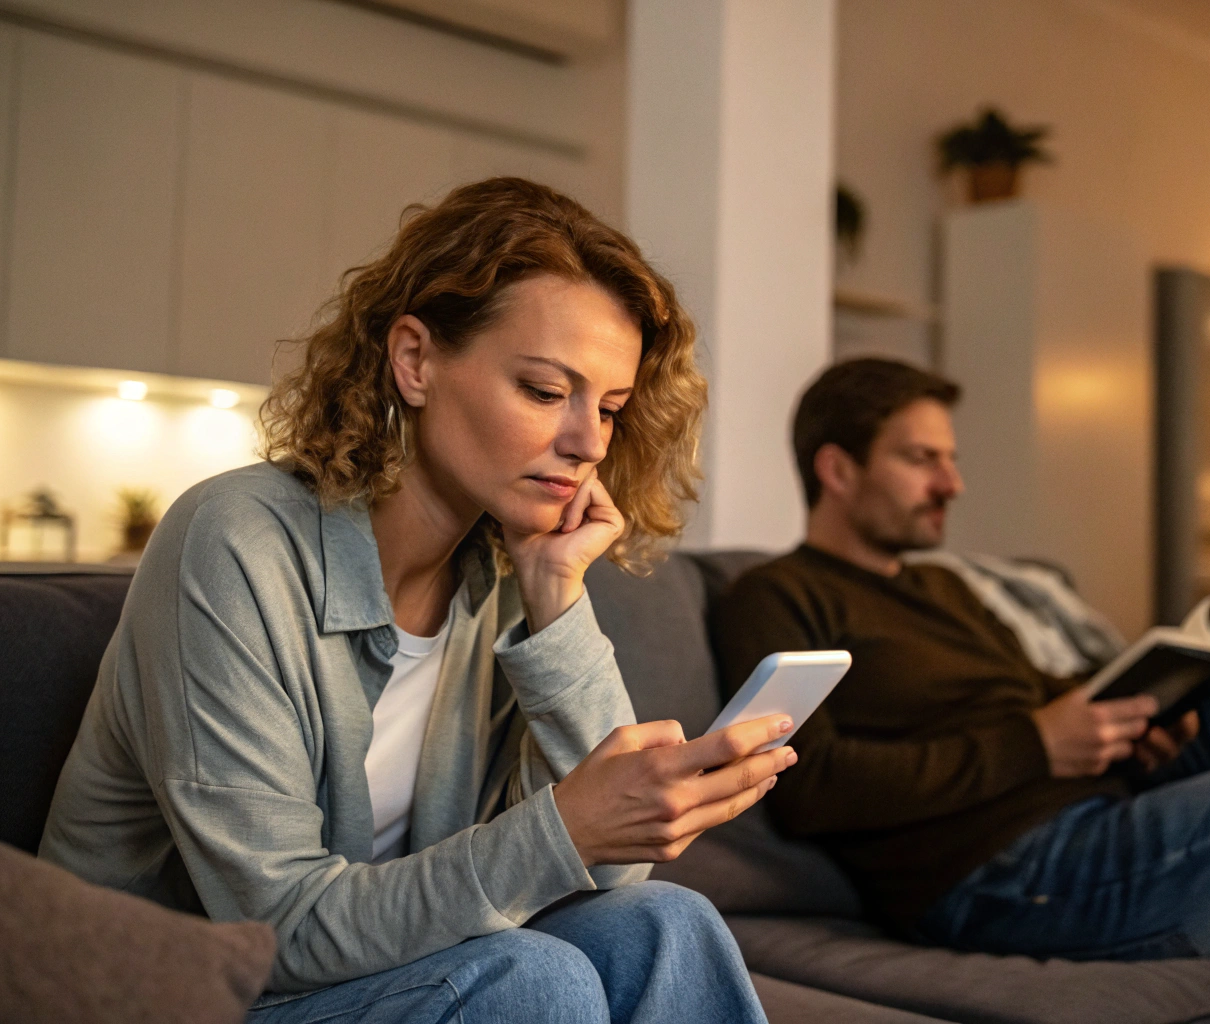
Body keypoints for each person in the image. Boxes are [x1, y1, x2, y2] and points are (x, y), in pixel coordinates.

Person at [40, 178, 794, 1023]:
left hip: (377, 980)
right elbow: (276, 933)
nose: (588, 443)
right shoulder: (234, 543)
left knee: (667, 922)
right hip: (173, 992)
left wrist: (558, 600)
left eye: (610, 408)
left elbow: (614, 875)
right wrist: (565, 829)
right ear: (416, 361)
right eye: (547, 392)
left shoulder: (506, 574)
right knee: (529, 977)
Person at [712, 356, 1210, 962]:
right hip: (1016, 875)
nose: (953, 484)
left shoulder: (943, 585)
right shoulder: (776, 596)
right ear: (838, 471)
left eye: (951, 458)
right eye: (922, 460)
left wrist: (1133, 717)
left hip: (1106, 794)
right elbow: (812, 789)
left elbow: (1044, 695)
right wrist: (1036, 743)